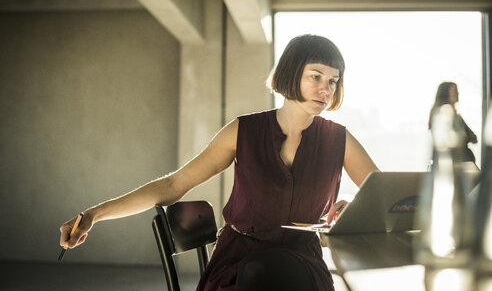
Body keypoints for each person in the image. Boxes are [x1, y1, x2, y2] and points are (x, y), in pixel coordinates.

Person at [60, 34, 379, 291]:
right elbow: (173, 185)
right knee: (259, 272)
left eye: (334, 81)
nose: (326, 89)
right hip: (239, 266)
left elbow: (386, 197)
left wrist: (351, 201)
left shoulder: (340, 139)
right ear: (292, 73)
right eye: (316, 76)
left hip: (302, 263)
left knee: (275, 276)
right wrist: (93, 215)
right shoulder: (244, 131)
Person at [428, 81, 477, 163]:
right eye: (454, 91)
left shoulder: (457, 116)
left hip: (462, 163)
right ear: (446, 93)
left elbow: (473, 137)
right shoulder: (441, 116)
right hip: (453, 164)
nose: (458, 94)